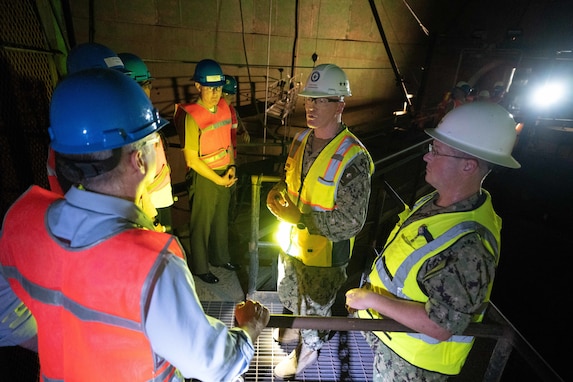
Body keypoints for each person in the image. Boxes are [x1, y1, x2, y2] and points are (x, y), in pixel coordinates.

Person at [0, 68, 270, 381]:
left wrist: (71, 345)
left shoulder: (20, 220)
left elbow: (6, 320)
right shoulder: (152, 264)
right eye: (154, 141)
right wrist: (248, 330)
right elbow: (216, 365)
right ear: (139, 159)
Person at [345, 101, 521, 381]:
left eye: (436, 151)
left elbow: (442, 325)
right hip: (394, 342)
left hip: (413, 368)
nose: (427, 157)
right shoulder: (437, 201)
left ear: (468, 166)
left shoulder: (469, 245)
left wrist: (371, 300)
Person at [266, 63, 374, 379]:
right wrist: (278, 191)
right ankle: (294, 328)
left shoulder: (353, 157)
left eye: (322, 100)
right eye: (309, 100)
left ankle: (308, 350)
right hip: (291, 244)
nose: (312, 107)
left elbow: (351, 222)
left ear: (340, 104)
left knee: (316, 307)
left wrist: (301, 218)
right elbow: (293, 178)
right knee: (289, 292)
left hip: (325, 256)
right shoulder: (301, 138)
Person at [173, 59, 240, 284]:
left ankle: (220, 257)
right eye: (210, 88)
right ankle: (201, 267)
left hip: (224, 171)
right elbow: (192, 158)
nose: (215, 93)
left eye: (219, 88)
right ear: (198, 86)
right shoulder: (191, 115)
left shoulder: (224, 108)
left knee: (221, 218)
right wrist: (219, 180)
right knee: (201, 222)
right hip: (204, 176)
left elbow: (228, 142)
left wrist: (230, 168)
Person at [119, 52, 175, 233]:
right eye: (140, 85)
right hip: (148, 201)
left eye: (147, 84)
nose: (145, 91)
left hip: (160, 193)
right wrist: (150, 211)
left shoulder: (144, 114)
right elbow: (132, 169)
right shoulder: (125, 123)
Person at [222, 74, 250, 223]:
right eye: (226, 94)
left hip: (232, 157)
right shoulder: (217, 112)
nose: (228, 98)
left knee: (232, 193)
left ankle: (230, 222)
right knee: (224, 194)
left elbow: (238, 124)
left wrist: (244, 132)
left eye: (230, 95)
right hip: (221, 161)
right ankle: (223, 224)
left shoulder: (232, 111)